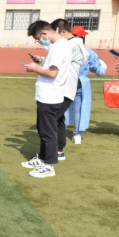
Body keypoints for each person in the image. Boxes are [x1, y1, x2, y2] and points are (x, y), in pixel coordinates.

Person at [22, 21, 72, 178]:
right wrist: (40, 64)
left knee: (47, 132)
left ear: (44, 33)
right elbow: (52, 68)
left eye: (38, 39)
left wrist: (34, 68)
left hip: (50, 96)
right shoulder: (59, 45)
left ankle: (49, 165)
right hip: (48, 95)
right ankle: (43, 159)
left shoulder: (58, 47)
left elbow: (52, 73)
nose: (39, 42)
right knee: (43, 129)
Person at [47, 19, 84, 158]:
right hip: (63, 88)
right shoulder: (70, 44)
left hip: (66, 89)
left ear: (62, 31)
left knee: (50, 120)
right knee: (59, 119)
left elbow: (59, 61)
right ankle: (58, 150)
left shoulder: (73, 44)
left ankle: (49, 154)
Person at [64, 26, 107, 145]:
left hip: (65, 82)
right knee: (78, 110)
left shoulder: (65, 49)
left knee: (62, 108)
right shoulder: (88, 52)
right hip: (80, 83)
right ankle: (77, 134)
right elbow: (99, 71)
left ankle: (61, 131)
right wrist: (103, 66)